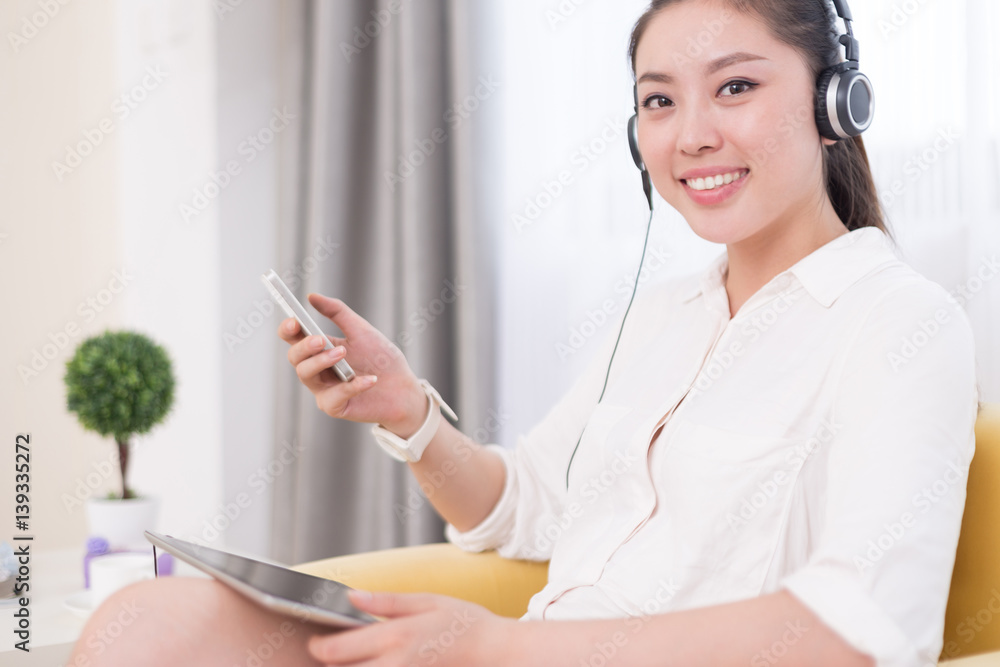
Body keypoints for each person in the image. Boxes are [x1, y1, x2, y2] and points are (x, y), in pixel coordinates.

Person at [68, 0, 980, 665]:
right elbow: (522, 507)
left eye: (735, 86)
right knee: (143, 622)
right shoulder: (663, 315)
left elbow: (863, 628)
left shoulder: (901, 324)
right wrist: (410, 415)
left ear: (835, 104)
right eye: (659, 101)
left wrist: (500, 648)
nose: (692, 133)